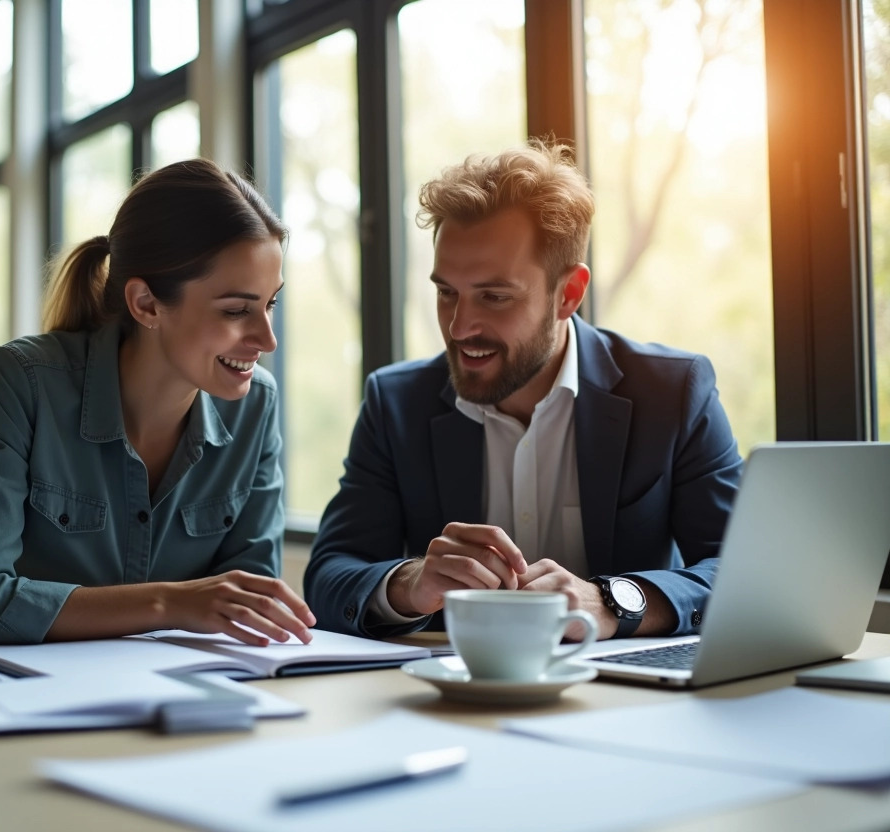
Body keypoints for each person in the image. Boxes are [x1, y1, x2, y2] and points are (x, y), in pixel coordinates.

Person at [303, 139, 743, 641]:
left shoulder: (673, 392)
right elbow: (329, 577)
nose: (459, 326)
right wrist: (408, 582)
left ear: (569, 295)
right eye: (447, 292)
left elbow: (744, 570)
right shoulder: (396, 403)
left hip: (631, 694)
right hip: (454, 696)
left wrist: (611, 601)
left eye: (494, 296)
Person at [0, 158, 316, 651]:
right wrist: (168, 603)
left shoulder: (257, 406)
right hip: (29, 709)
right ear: (146, 304)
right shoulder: (23, 382)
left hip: (187, 706)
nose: (266, 339)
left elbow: (251, 607)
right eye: (237, 310)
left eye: (270, 304)